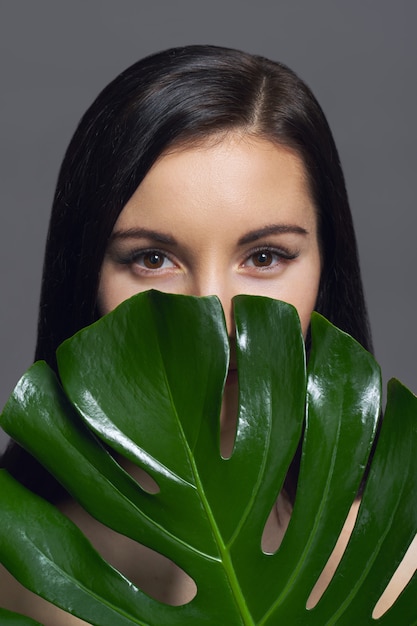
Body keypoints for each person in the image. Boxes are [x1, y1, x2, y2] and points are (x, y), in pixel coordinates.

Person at [0, 45, 411, 624]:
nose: (210, 315)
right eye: (152, 258)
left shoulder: (400, 566)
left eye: (265, 257)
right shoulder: (17, 570)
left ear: (327, 265)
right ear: (84, 271)